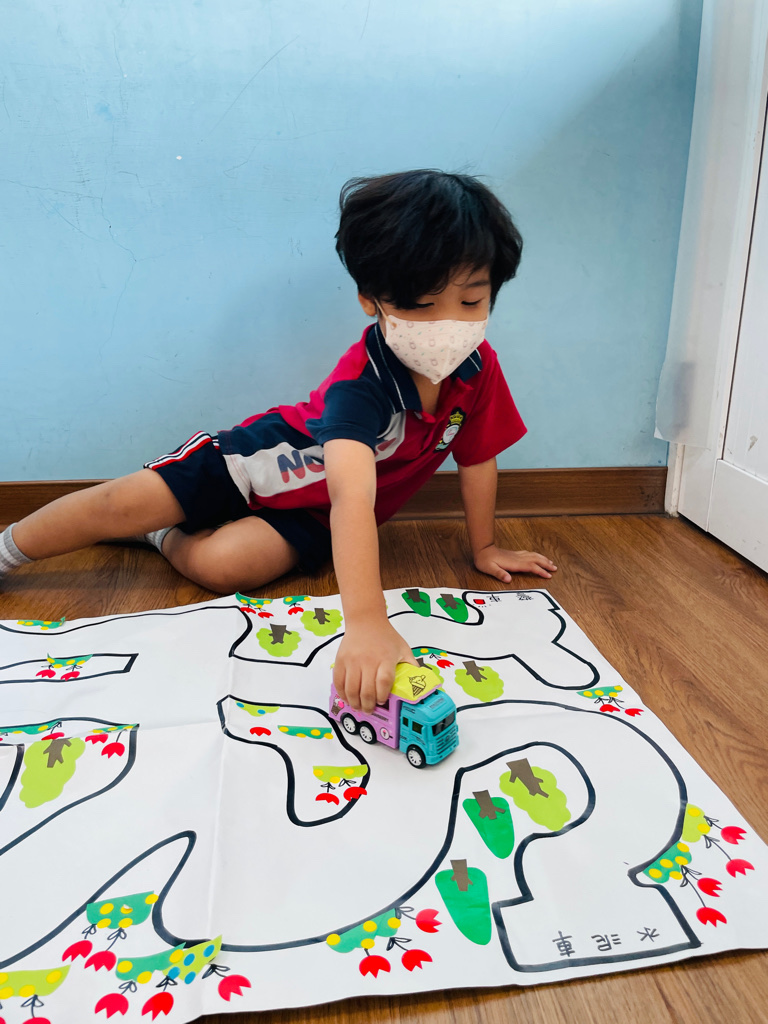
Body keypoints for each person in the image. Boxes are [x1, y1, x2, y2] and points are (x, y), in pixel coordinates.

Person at [0, 169, 556, 712]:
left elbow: (478, 457)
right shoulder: (361, 387)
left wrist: (484, 547)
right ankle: (8, 549)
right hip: (246, 466)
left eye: (470, 302)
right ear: (371, 299)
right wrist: (366, 622)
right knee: (111, 505)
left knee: (225, 568)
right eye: (421, 305)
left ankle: (159, 534)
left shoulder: (479, 368)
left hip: (311, 517)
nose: (447, 325)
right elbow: (352, 497)